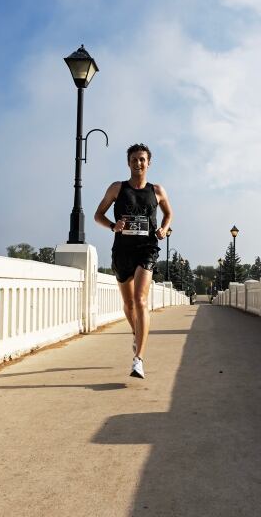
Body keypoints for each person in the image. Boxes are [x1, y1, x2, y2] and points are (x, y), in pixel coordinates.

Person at [94, 143, 172, 379]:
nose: (138, 163)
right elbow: (99, 214)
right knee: (128, 305)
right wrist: (112, 226)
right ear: (128, 163)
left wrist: (163, 229)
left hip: (147, 248)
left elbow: (169, 214)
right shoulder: (117, 188)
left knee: (140, 300)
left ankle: (138, 359)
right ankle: (137, 334)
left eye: (142, 159)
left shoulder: (157, 191)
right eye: (134, 159)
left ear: (149, 163)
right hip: (122, 251)